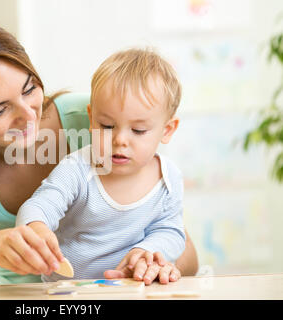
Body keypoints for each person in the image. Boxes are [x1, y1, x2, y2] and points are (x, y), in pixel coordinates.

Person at [0, 17, 198, 289]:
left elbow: (181, 247)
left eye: (29, 89)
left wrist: (154, 264)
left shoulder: (107, 121)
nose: (28, 116)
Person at [16, 48, 186, 284]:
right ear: (91, 119)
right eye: (107, 125)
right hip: (68, 292)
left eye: (138, 130)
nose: (120, 140)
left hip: (131, 289)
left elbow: (171, 232)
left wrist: (146, 253)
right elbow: (38, 207)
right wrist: (39, 230)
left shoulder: (169, 178)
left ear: (166, 130)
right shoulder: (77, 169)